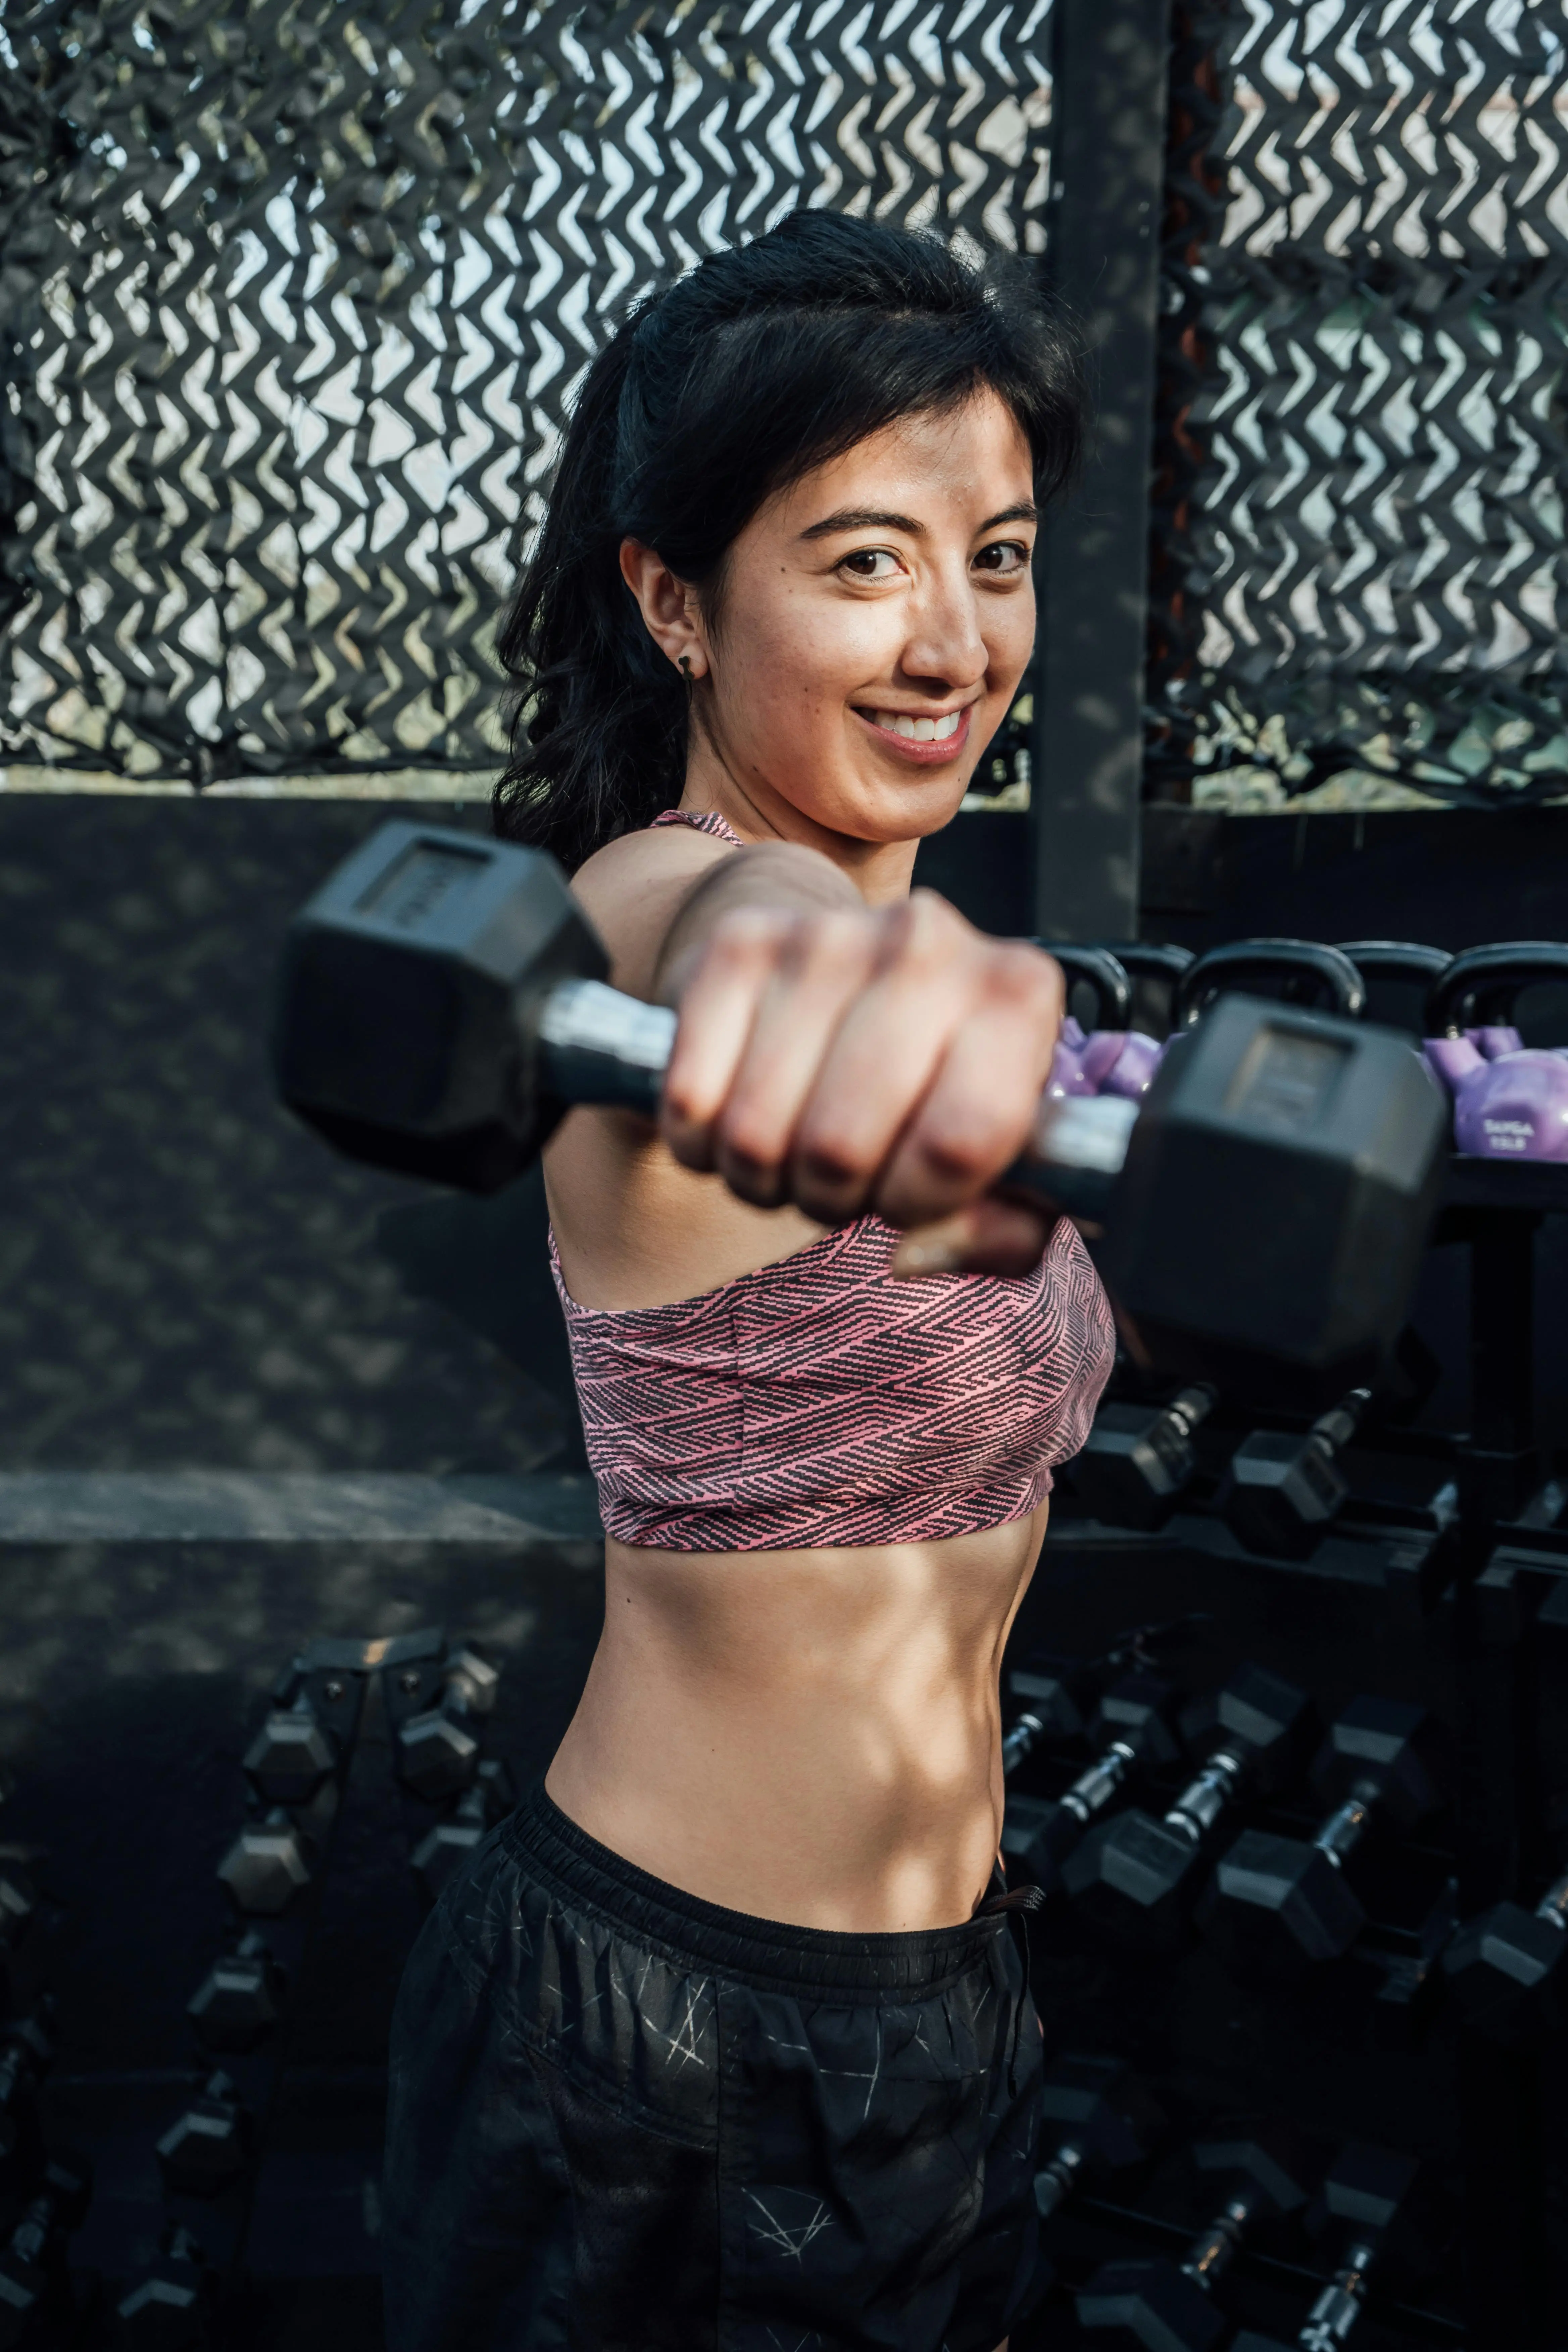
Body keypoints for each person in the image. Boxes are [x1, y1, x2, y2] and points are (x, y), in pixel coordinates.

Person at [382, 209, 1116, 2352]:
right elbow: (719, 946)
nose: (953, 641)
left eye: (995, 557)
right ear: (675, 602)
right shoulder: (664, 912)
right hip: (668, 2048)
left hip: (938, 2008)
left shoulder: (929, 974)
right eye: (864, 561)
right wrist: (821, 960)